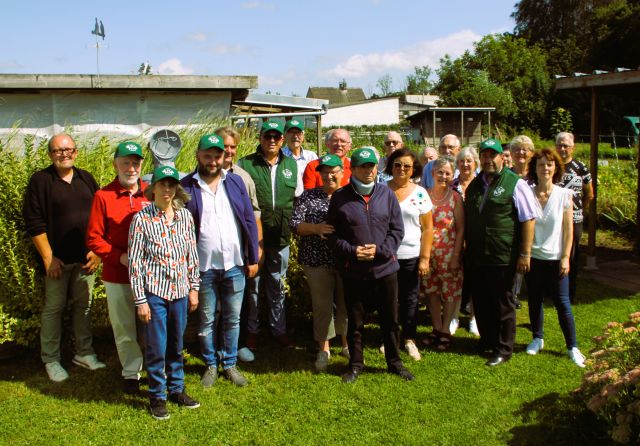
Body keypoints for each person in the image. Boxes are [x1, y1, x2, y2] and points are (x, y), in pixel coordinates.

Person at [327, 147, 414, 383]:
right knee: (355, 322)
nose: (369, 171)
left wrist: (381, 251)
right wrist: (353, 252)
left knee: (390, 319)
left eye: (372, 166)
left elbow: (397, 230)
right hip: (354, 271)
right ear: (352, 169)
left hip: (385, 269)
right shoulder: (340, 197)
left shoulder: (386, 195)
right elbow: (333, 235)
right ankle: (355, 364)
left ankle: (395, 363)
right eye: (363, 166)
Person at [23, 133, 105, 382]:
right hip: (56, 262)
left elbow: (101, 216)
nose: (64, 154)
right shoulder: (40, 181)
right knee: (54, 309)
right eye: (58, 150)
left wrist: (98, 252)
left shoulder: (86, 178)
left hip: (85, 260)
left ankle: (84, 353)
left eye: (68, 149)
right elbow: (34, 221)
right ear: (50, 154)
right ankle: (51, 359)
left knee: (84, 307)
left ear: (76, 152)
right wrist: (49, 258)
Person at [180, 134, 259, 387]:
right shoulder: (185, 187)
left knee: (233, 318)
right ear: (198, 156)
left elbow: (248, 219)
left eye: (217, 156)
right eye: (208, 156)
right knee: (206, 319)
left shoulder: (235, 182)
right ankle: (211, 365)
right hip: (203, 267)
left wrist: (253, 256)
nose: (213, 161)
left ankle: (230, 364)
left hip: (235, 264)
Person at [129, 165, 200, 420]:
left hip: (180, 291)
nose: (167, 189)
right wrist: (141, 301)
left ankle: (176, 389)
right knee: (157, 346)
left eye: (171, 184)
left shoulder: (185, 217)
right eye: (162, 184)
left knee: (177, 344)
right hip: (155, 293)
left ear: (177, 188)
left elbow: (191, 255)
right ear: (153, 188)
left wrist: (194, 288)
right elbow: (136, 263)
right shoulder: (142, 219)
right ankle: (157, 395)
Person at [464, 138, 537, 366]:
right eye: (484, 155)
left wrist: (525, 254)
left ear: (502, 158)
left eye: (492, 155)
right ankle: (487, 340)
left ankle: (504, 348)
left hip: (503, 254)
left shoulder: (516, 183)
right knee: (482, 300)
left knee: (503, 303)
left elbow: (528, 219)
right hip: (477, 255)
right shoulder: (475, 184)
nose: (488, 159)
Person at [86, 141, 148, 394]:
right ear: (116, 164)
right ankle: (131, 373)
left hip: (150, 275)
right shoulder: (103, 196)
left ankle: (156, 367)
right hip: (117, 274)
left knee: (152, 324)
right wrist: (119, 257)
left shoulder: (152, 191)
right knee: (124, 326)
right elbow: (93, 238)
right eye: (126, 162)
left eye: (135, 163)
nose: (131, 168)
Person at [237, 120, 301, 348]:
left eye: (276, 136)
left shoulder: (291, 165)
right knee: (253, 286)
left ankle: (278, 330)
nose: (272, 140)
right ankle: (252, 331)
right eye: (267, 136)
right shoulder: (245, 164)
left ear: (282, 139)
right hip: (254, 238)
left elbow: (297, 198)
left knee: (278, 285)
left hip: (281, 236)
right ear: (260, 138)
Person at [523, 148, 586, 368]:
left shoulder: (564, 195)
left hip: (556, 258)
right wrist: (525, 254)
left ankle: (573, 347)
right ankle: (537, 338)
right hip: (534, 258)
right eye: (541, 164)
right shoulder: (527, 193)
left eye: (549, 164)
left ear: (555, 168)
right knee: (534, 299)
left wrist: (566, 257)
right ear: (535, 168)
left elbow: (569, 231)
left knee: (562, 303)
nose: (545, 168)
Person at [290, 154, 349, 372]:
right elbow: (295, 224)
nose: (329, 175)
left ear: (342, 172)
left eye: (334, 171)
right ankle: (324, 349)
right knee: (322, 305)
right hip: (316, 259)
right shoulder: (308, 196)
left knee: (347, 304)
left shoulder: (350, 195)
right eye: (325, 172)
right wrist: (317, 229)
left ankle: (346, 344)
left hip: (345, 260)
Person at [215, 126, 263, 363]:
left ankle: (238, 345)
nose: (230, 151)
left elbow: (255, 216)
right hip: (212, 253)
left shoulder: (243, 177)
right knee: (214, 305)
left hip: (239, 251)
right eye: (225, 146)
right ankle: (215, 348)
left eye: (233, 147)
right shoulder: (200, 176)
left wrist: (256, 250)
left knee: (238, 302)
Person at [384, 148, 432, 360]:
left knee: (410, 299)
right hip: (386, 255)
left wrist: (424, 258)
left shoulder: (420, 193)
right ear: (391, 166)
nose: (402, 169)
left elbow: (428, 228)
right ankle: (389, 338)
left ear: (414, 170)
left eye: (407, 166)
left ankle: (409, 339)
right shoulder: (381, 190)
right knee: (388, 299)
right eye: (397, 164)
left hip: (411, 255)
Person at [421, 156, 464, 351]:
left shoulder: (455, 198)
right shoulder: (424, 196)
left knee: (449, 292)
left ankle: (446, 329)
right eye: (440, 172)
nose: (444, 176)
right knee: (432, 292)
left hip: (449, 255)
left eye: (448, 173)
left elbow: (461, 228)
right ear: (432, 173)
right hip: (427, 254)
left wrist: (456, 256)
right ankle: (436, 328)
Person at [555, 131, 593, 304]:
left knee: (572, 254)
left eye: (566, 145)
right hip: (554, 219)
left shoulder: (581, 167)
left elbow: (589, 193)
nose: (562, 148)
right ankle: (552, 288)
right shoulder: (551, 165)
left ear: (573, 148)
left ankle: (570, 291)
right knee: (554, 252)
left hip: (575, 219)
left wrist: (579, 210)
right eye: (559, 145)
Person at [450, 147, 480, 337]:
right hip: (453, 239)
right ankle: (453, 317)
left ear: (475, 162)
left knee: (476, 281)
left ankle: (474, 319)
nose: (465, 164)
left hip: (477, 239)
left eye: (469, 160)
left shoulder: (482, 185)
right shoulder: (451, 186)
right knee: (455, 280)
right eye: (462, 161)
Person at [282, 119, 318, 184]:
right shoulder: (279, 155)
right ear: (285, 135)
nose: (295, 136)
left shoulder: (311, 156)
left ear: (303, 136)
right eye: (291, 132)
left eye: (298, 133)